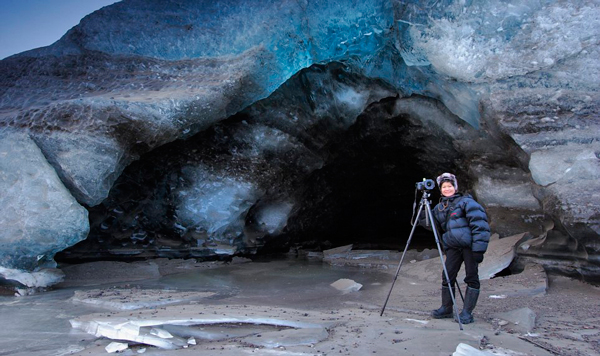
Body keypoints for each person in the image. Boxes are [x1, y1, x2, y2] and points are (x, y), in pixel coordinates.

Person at [422, 172, 490, 324]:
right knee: (447, 276)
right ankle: (446, 308)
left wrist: (479, 249)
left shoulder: (466, 202)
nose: (447, 189)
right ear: (440, 190)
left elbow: (480, 225)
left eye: (450, 186)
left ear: (455, 187)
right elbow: (431, 224)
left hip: (469, 246)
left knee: (471, 278)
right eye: (444, 187)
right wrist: (421, 208)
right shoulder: (440, 207)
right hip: (453, 247)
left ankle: (467, 312)